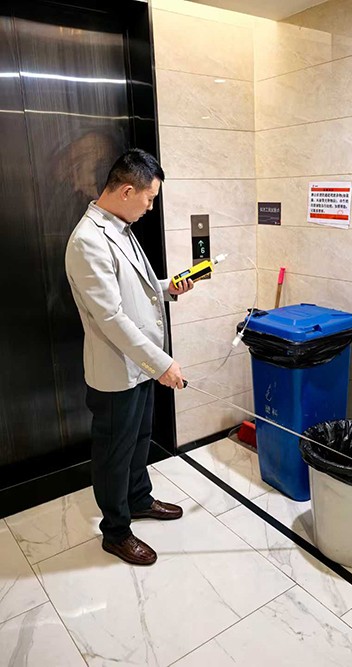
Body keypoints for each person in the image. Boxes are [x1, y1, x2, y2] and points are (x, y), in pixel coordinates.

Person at [65, 149, 193, 566]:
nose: (150, 207)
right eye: (149, 198)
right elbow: (111, 318)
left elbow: (134, 288)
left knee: (139, 439)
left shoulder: (121, 226)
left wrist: (168, 287)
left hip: (139, 365)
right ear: (126, 190)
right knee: (114, 453)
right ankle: (116, 532)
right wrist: (162, 363)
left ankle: (139, 499)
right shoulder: (88, 241)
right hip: (116, 370)